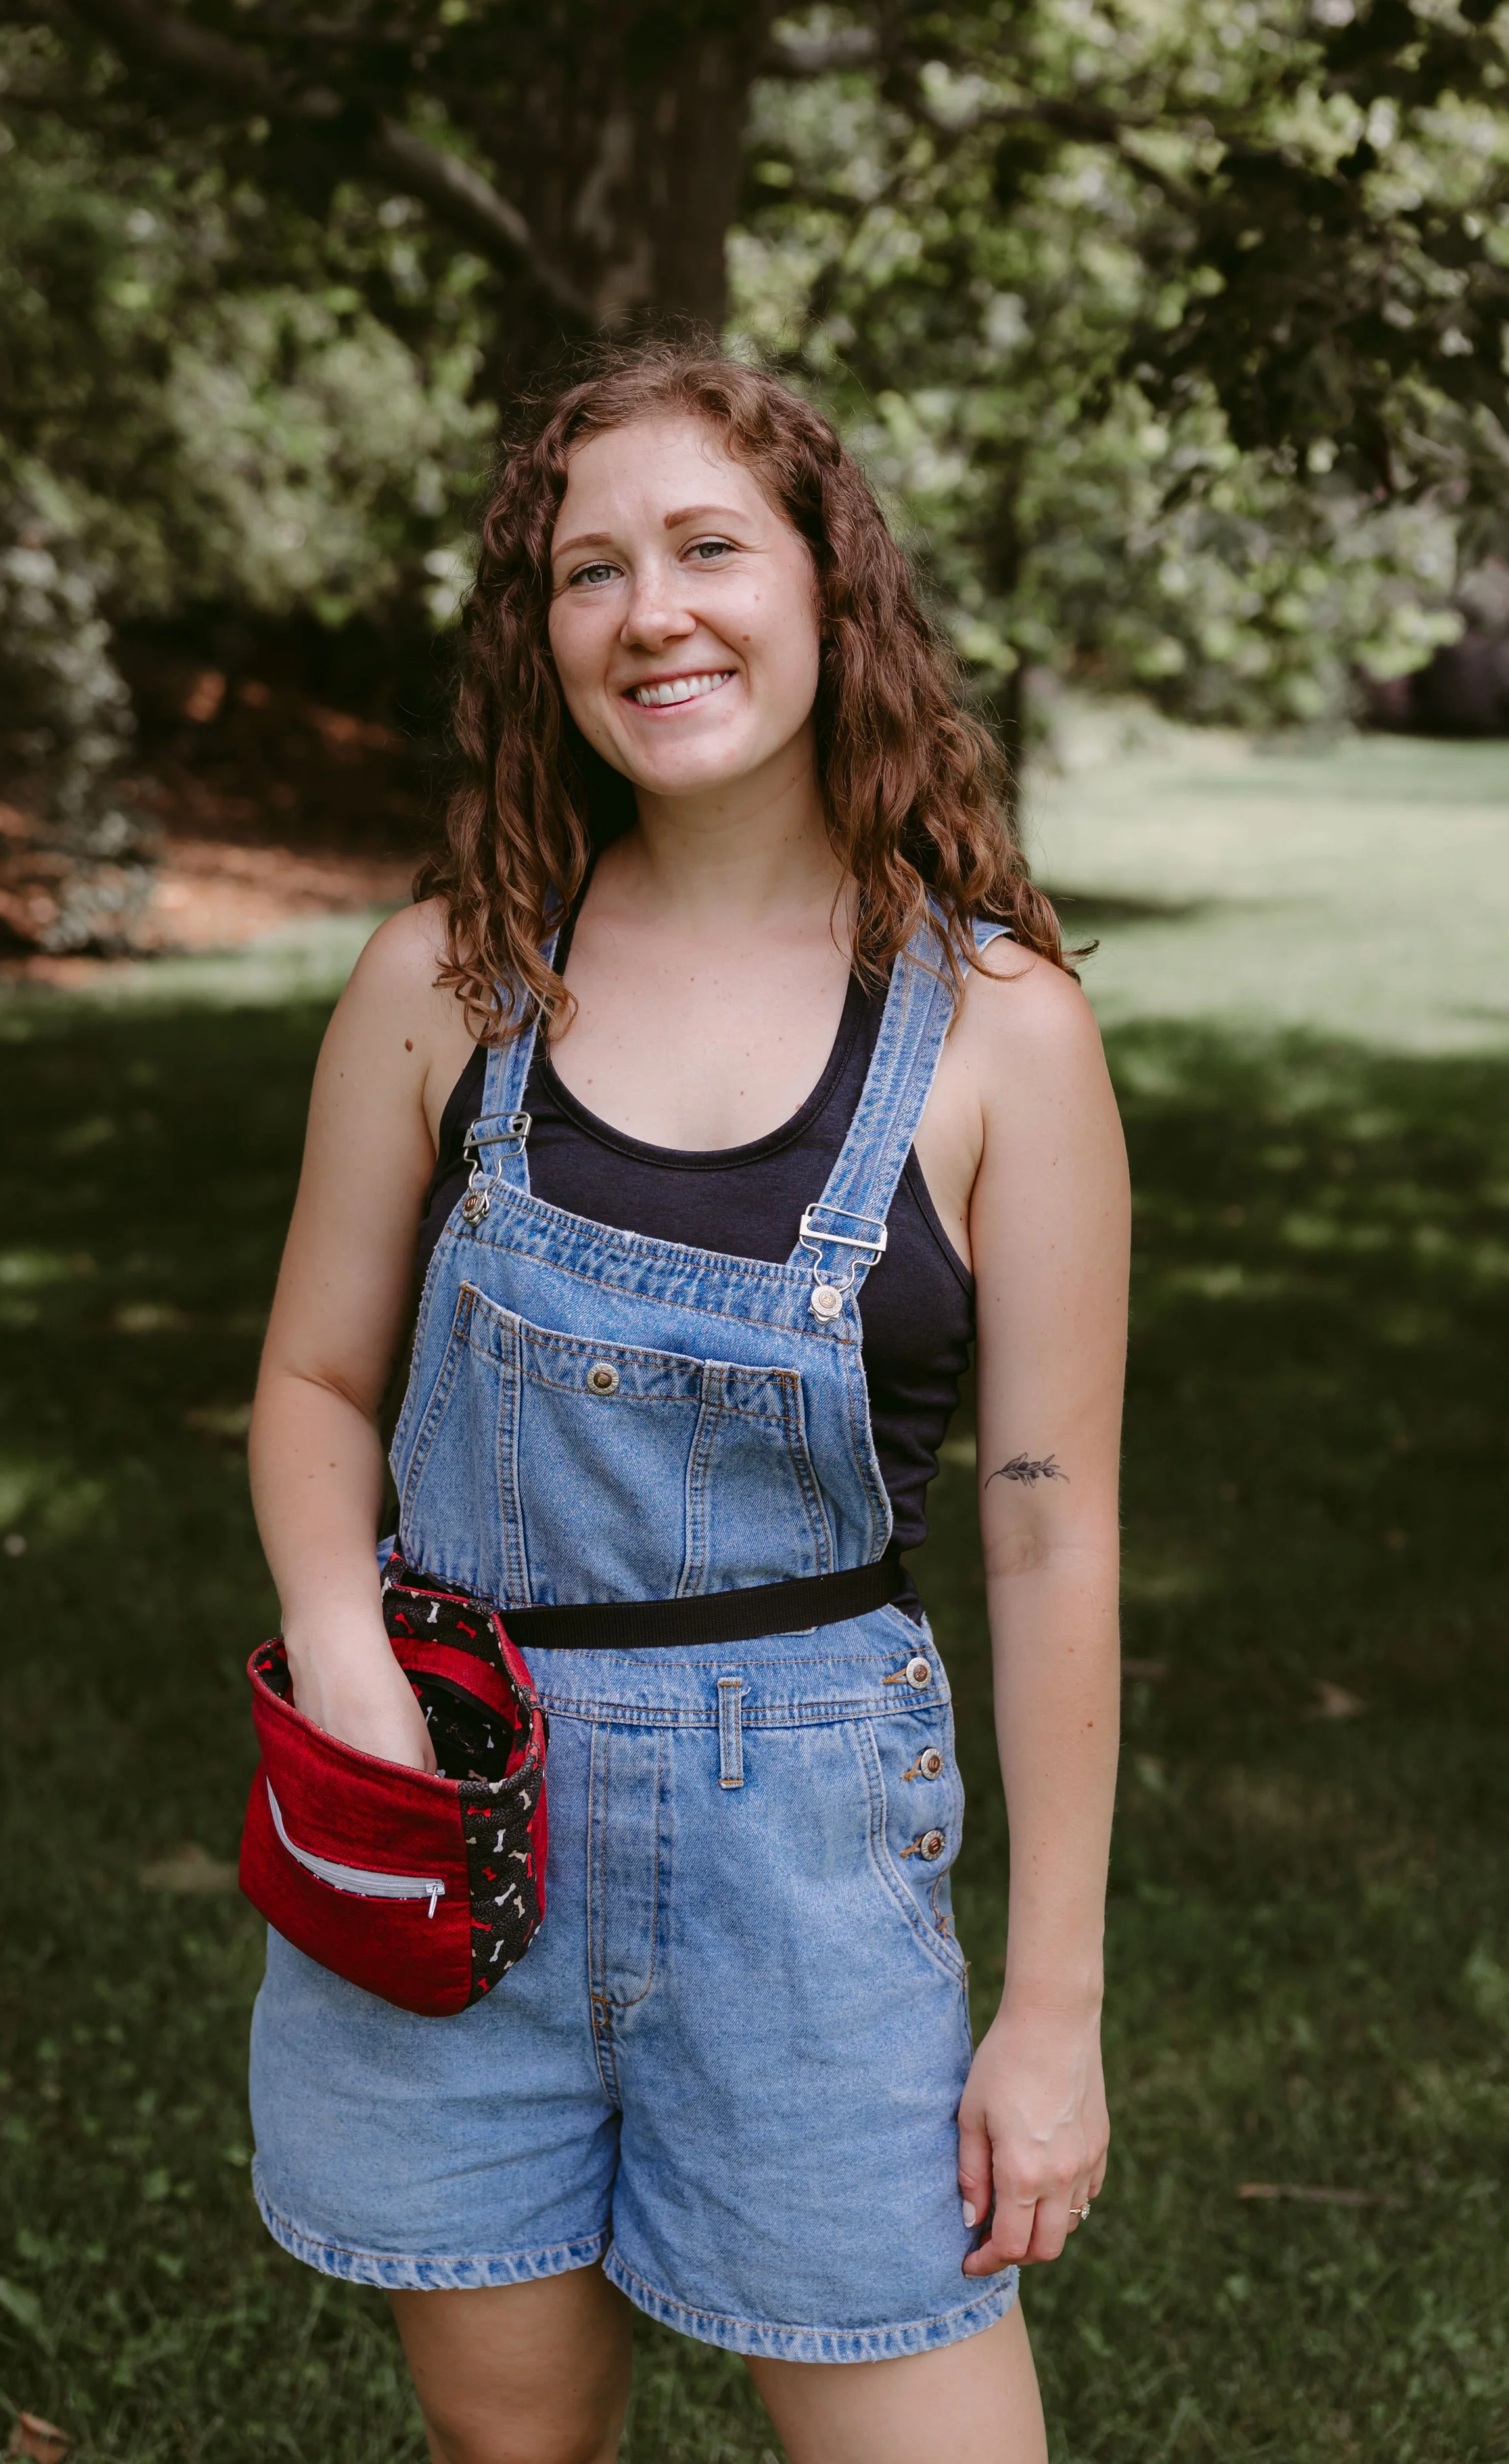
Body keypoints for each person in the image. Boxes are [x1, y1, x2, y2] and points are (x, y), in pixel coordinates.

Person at [246, 350, 1128, 2464]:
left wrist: (1050, 2004)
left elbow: (1047, 1524)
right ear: (540, 636)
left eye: (709, 547)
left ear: (832, 592)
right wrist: (346, 1649)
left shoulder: (1001, 1029)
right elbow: (310, 1376)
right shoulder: (442, 981)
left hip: (806, 1868)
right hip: (463, 1813)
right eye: (589, 570)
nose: (653, 612)